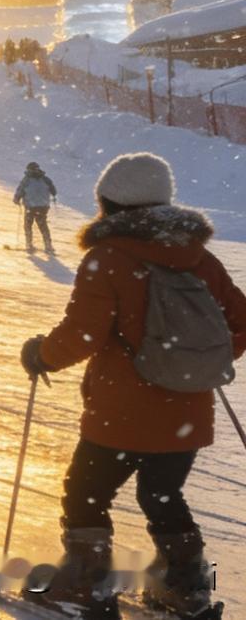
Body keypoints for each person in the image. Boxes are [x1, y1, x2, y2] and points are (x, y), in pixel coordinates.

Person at [20, 153, 246, 620]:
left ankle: (86, 584)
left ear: (110, 202)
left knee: (86, 491)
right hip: (186, 413)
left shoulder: (109, 258)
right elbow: (240, 323)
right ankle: (183, 588)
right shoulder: (198, 258)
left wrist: (40, 354)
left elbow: (83, 333)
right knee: (162, 495)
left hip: (120, 413)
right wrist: (196, 363)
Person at [14, 161, 57, 253]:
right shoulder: (45, 179)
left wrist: (16, 199)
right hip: (43, 206)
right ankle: (48, 245)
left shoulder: (27, 180)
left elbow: (20, 190)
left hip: (31, 206)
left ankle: (29, 244)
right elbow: (54, 191)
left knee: (28, 225)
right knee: (42, 225)